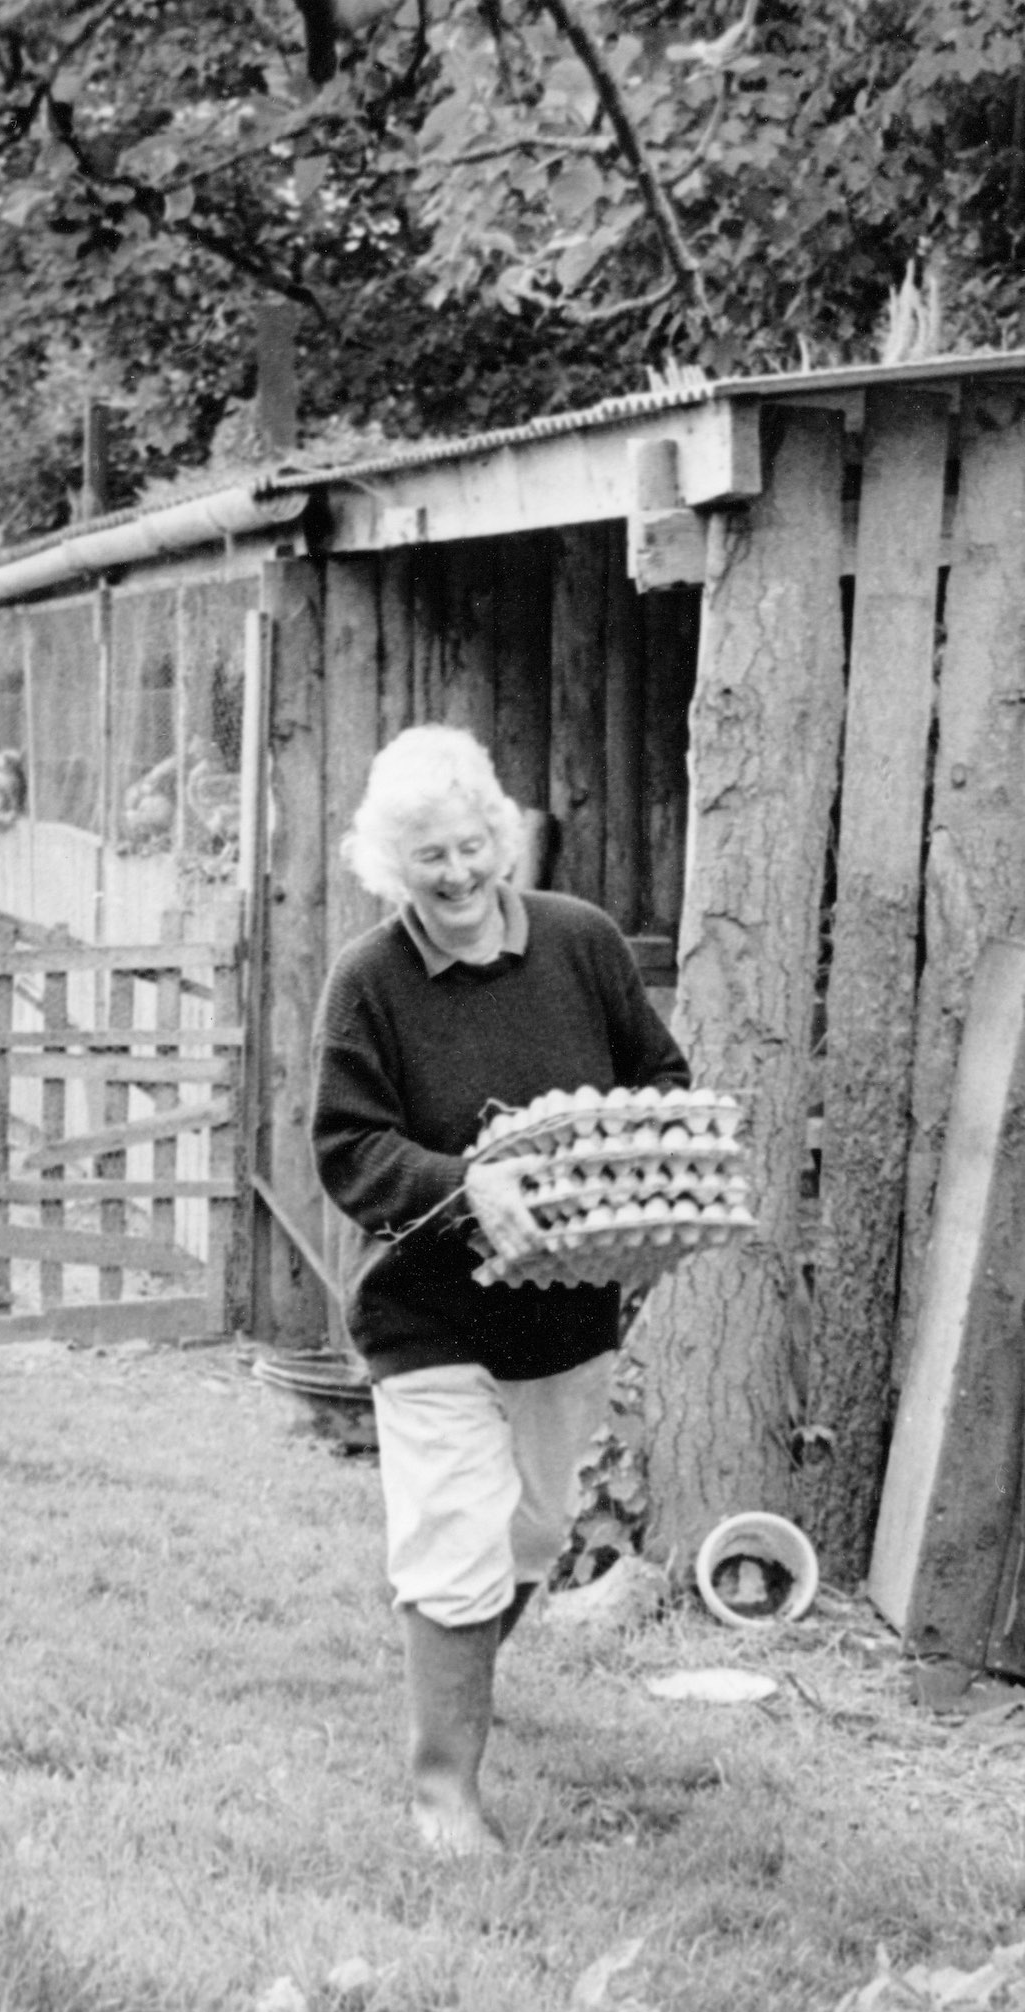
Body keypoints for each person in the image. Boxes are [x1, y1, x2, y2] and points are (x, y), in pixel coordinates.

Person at [308, 725, 690, 1858]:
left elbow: (660, 1077)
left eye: (473, 843)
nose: (460, 872)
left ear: (501, 832)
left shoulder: (581, 944)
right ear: (389, 864)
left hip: (563, 1311)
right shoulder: (368, 982)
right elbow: (346, 1147)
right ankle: (444, 1797)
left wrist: (616, 1169)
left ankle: (462, 1694)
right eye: (429, 855)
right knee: (450, 1537)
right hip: (425, 1312)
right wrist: (464, 1186)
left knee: (528, 1536)